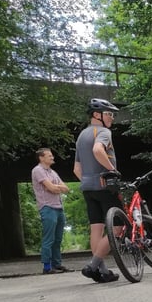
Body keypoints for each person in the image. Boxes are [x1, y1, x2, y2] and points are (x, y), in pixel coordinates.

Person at [73, 98, 122, 283]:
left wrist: (88, 180)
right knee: (118, 227)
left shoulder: (81, 136)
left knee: (96, 228)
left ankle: (102, 271)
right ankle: (93, 266)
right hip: (104, 186)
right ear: (97, 115)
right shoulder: (102, 132)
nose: (112, 118)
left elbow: (76, 169)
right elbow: (98, 150)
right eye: (109, 114)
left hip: (88, 187)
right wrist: (112, 171)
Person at [31, 148, 71, 274]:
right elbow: (52, 188)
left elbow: (66, 188)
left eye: (52, 155)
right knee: (49, 238)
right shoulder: (38, 170)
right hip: (47, 207)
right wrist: (57, 187)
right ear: (41, 158)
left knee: (58, 239)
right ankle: (47, 267)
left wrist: (56, 187)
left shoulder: (53, 172)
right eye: (49, 156)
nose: (52, 157)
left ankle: (57, 265)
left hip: (59, 208)